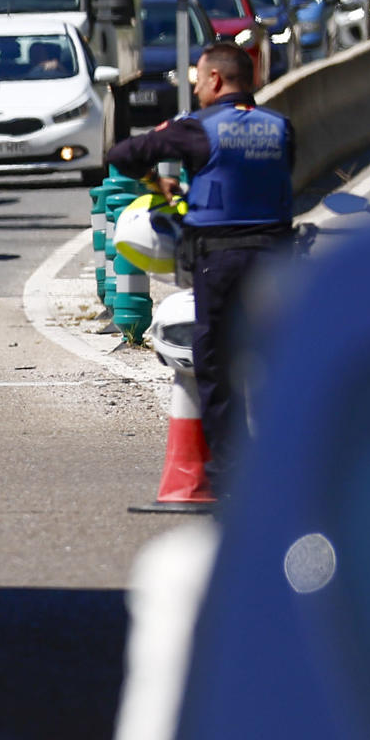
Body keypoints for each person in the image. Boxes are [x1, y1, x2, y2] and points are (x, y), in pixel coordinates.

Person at [104, 40, 294, 494]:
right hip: (277, 259)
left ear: (214, 79)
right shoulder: (280, 126)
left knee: (215, 365)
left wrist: (156, 181)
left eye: (198, 80)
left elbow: (123, 155)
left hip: (221, 259)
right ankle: (286, 466)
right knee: (277, 363)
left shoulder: (198, 127)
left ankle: (232, 476)